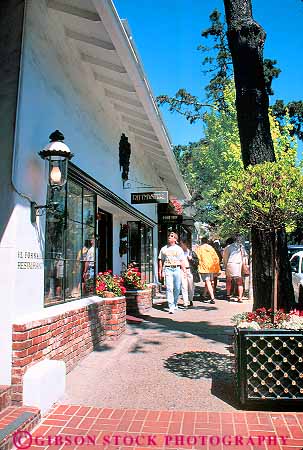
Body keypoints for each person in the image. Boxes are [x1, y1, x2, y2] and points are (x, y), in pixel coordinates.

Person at [158, 232, 186, 314]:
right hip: (168, 269)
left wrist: (184, 271)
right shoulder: (164, 249)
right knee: (169, 288)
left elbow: (182, 260)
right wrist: (160, 271)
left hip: (177, 269)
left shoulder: (179, 249)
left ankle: (175, 302)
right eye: (169, 236)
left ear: (175, 239)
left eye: (172, 236)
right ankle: (171, 306)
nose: (170, 237)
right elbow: (161, 260)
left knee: (177, 288)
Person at [195, 237, 220, 304]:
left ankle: (212, 298)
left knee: (208, 281)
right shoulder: (211, 248)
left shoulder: (199, 249)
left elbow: (197, 258)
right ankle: (204, 295)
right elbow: (216, 258)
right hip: (211, 267)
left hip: (204, 267)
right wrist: (217, 268)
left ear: (201, 241)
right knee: (208, 281)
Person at [223, 236, 248, 303]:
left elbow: (225, 257)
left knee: (228, 280)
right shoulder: (242, 247)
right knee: (240, 282)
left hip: (230, 265)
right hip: (239, 266)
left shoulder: (228, 247)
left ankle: (228, 294)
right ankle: (240, 297)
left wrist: (225, 266)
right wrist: (245, 265)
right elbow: (245, 257)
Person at [179, 239, 197, 309]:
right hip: (182, 270)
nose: (181, 246)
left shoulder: (192, 253)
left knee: (191, 287)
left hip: (190, 270)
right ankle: (185, 303)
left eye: (182, 244)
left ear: (185, 244)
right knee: (184, 286)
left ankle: (191, 300)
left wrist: (191, 259)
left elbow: (197, 262)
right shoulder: (179, 253)